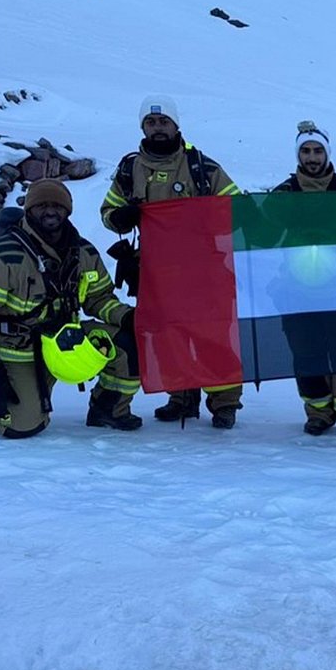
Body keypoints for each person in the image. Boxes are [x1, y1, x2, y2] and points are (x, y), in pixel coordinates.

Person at [0, 179, 141, 438]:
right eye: (41, 205)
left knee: (129, 343)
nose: (50, 211)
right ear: (29, 210)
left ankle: (108, 410)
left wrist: (129, 318)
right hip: (19, 350)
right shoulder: (5, 256)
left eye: (57, 205)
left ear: (68, 210)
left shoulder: (84, 252)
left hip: (66, 343)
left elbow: (99, 299)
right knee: (23, 427)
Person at [101, 94, 243, 429]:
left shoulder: (202, 167)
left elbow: (237, 208)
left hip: (203, 269)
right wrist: (120, 217)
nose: (157, 128)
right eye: (151, 122)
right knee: (169, 336)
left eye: (163, 121)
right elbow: (108, 212)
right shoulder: (129, 169)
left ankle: (224, 404)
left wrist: (206, 221)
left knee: (212, 336)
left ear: (176, 125)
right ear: (143, 127)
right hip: (156, 271)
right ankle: (181, 398)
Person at [272, 122, 336, 439]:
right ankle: (318, 412)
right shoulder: (283, 195)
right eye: (306, 151)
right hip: (297, 290)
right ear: (298, 155)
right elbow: (263, 234)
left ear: (327, 154)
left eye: (317, 151)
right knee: (307, 353)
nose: (312, 157)